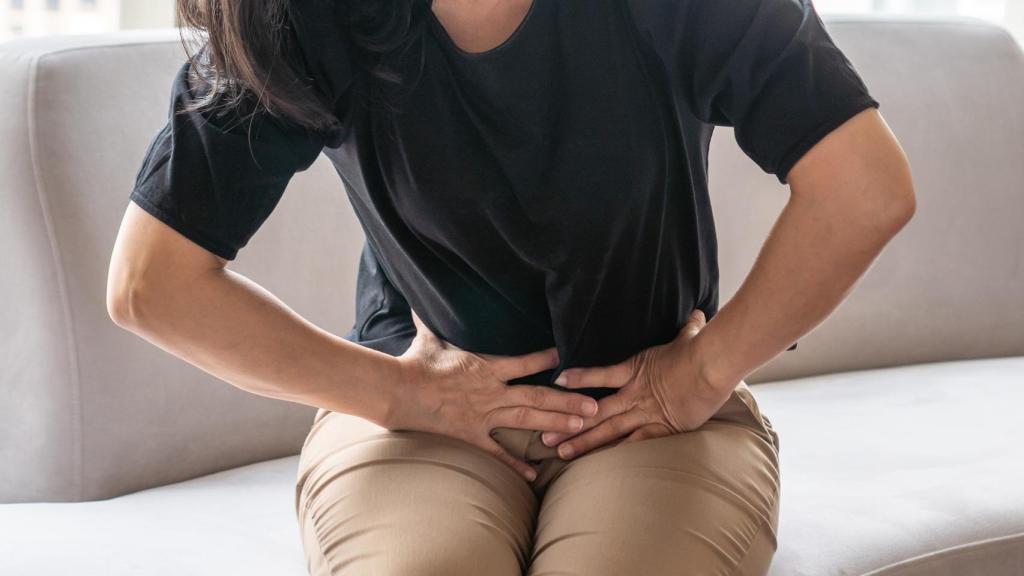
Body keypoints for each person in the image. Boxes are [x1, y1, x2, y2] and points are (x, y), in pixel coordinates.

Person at [107, 0, 916, 574]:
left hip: (653, 422)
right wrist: (396, 395)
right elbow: (153, 282)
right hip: (417, 425)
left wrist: (702, 375)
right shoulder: (302, 15)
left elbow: (864, 189)